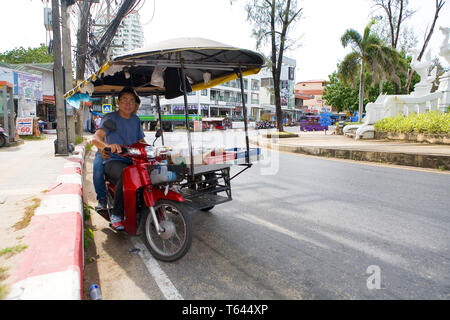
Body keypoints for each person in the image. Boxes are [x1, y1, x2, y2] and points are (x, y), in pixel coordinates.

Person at [92, 87, 145, 230]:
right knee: (127, 174)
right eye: (125, 101)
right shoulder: (110, 118)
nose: (128, 105)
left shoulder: (135, 119)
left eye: (131, 102)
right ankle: (117, 214)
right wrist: (107, 146)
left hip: (133, 159)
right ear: (118, 102)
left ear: (135, 104)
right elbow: (96, 138)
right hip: (114, 160)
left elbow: (141, 141)